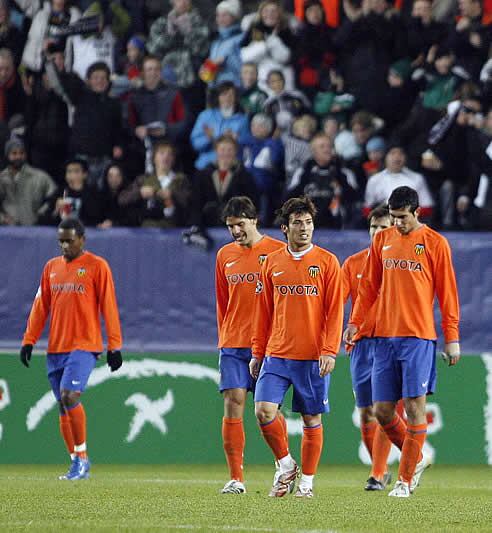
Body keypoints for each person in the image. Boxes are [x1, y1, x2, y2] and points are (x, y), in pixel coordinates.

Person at [344, 186, 460, 498]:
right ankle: (417, 457)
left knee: (413, 407)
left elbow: (448, 294)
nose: (397, 224)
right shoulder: (382, 240)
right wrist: (355, 323)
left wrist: (452, 338)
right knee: (382, 411)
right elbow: (368, 288)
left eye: (402, 218)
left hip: (418, 338)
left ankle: (404, 481)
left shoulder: (435, 243)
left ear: (417, 212)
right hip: (383, 338)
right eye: (393, 218)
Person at [251, 196, 344, 498]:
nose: (304, 229)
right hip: (277, 354)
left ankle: (306, 483)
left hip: (312, 357)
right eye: (297, 223)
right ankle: (286, 464)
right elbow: (263, 312)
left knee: (310, 419)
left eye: (308, 223)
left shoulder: (328, 262)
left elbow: (335, 312)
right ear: (284, 229)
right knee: (264, 411)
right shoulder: (272, 263)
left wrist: (329, 350)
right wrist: (257, 352)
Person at [20, 217, 123, 480]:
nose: (65, 246)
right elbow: (41, 306)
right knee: (62, 405)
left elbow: (108, 306)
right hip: (56, 347)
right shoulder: (51, 268)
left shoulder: (96, 266)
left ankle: (83, 458)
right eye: (61, 241)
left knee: (69, 396)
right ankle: (75, 462)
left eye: (70, 240)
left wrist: (114, 345)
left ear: (82, 239)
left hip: (84, 345)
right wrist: (29, 340)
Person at [215, 195, 285, 494]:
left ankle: (284, 463)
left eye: (240, 224)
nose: (235, 231)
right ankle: (236, 479)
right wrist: (224, 336)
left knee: (267, 410)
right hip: (233, 341)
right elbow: (222, 301)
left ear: (254, 220)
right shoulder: (224, 256)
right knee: (233, 402)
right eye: (231, 226)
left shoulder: (277, 251)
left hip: (269, 343)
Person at [341, 204, 394, 490]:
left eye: (383, 227)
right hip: (361, 345)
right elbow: (337, 301)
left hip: (391, 342)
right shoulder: (353, 264)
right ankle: (380, 468)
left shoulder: (401, 264)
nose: (377, 232)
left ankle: (377, 472)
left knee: (382, 407)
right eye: (374, 227)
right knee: (365, 412)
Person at [0, 137, 57, 225]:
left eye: (21, 153)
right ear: (7, 155)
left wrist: (42, 214)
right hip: (7, 230)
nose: (18, 157)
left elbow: (55, 196)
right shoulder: (2, 178)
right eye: (14, 153)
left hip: (34, 229)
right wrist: (3, 219)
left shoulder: (40, 176)